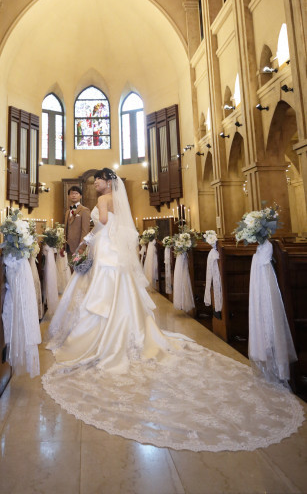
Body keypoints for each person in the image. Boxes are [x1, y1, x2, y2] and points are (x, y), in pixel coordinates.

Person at [42, 168, 303, 452]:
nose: (97, 185)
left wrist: (89, 239)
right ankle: (130, 333)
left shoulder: (103, 201)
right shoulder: (118, 199)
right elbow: (118, 225)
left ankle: (102, 339)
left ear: (107, 182)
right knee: (122, 292)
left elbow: (103, 223)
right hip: (114, 252)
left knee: (102, 292)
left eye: (99, 181)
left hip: (105, 249)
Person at [64, 186, 90, 256]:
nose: (74, 195)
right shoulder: (67, 211)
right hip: (67, 245)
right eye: (72, 193)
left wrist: (82, 247)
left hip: (78, 245)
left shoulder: (84, 210)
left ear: (80, 196)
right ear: (69, 196)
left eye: (76, 193)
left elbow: (85, 230)